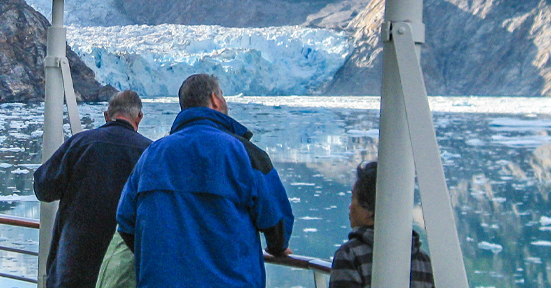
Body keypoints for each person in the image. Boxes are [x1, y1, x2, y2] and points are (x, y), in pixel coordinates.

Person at [116, 74, 293, 288]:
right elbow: (277, 221)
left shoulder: (151, 156)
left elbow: (125, 221)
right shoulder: (246, 154)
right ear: (215, 99)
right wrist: (277, 247)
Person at [32, 90, 150, 288]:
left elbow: (43, 187)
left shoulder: (79, 144)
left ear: (106, 115)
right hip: (121, 273)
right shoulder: (149, 152)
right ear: (139, 117)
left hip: (71, 268)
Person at [330, 161, 433, 288]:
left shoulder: (349, 255)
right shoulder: (423, 261)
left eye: (353, 199)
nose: (350, 206)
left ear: (369, 209)